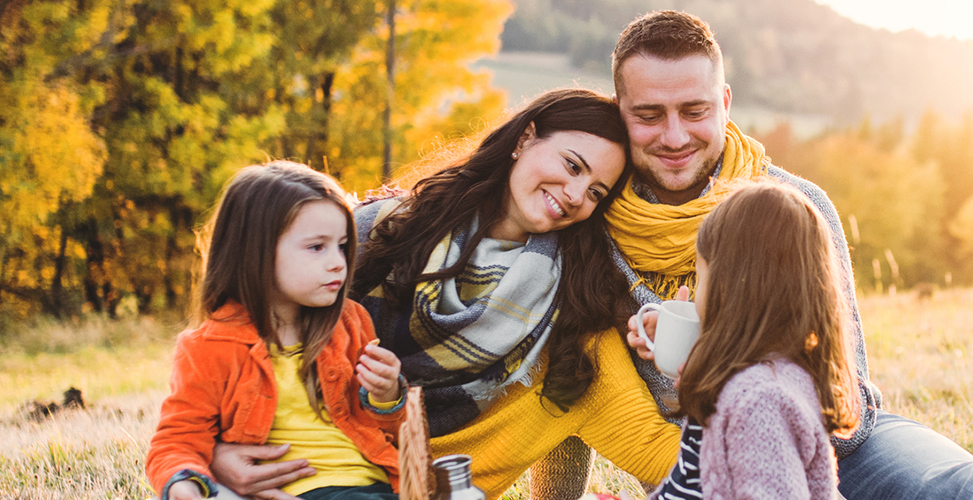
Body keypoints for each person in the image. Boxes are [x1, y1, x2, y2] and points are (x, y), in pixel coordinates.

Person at [533, 11, 973, 500]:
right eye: (648, 115)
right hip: (699, 463)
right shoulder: (584, 215)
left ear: (725, 102)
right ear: (619, 112)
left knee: (964, 488)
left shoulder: (796, 207)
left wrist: (731, 371)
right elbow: (565, 383)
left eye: (695, 111)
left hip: (830, 443)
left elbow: (846, 402)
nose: (674, 136)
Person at [207, 89, 683, 500]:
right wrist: (214, 448)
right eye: (571, 165)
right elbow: (238, 336)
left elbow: (665, 455)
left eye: (596, 192)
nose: (577, 194)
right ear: (525, 138)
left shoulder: (573, 334)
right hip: (303, 464)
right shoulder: (384, 228)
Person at [146, 161, 409, 500]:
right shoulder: (207, 346)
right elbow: (177, 439)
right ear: (254, 251)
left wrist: (387, 395)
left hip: (373, 487)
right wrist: (185, 487)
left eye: (342, 245)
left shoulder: (350, 321)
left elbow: (389, 433)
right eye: (317, 247)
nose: (338, 262)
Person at [645, 182, 863, 500]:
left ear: (730, 289)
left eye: (700, 275)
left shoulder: (760, 402)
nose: (695, 294)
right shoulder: (753, 374)